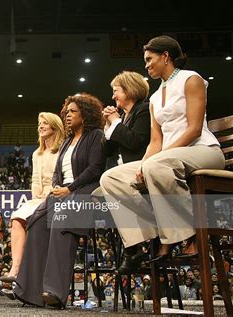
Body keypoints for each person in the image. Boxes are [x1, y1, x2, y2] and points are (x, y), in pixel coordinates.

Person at [100, 35, 225, 271]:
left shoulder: (192, 79)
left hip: (203, 150)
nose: (146, 65)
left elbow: (194, 128)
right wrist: (143, 163)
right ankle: (148, 235)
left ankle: (188, 237)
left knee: (156, 166)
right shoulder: (155, 97)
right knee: (111, 178)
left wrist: (154, 160)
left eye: (149, 59)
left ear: (165, 56)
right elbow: (155, 141)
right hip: (167, 158)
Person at [13, 93, 106, 308]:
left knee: (61, 219)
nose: (67, 116)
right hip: (63, 193)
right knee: (36, 221)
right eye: (66, 112)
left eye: (73, 112)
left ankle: (55, 292)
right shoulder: (66, 143)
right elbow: (57, 172)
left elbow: (95, 168)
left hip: (86, 192)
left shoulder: (96, 136)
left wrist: (70, 188)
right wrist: (57, 188)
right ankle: (30, 291)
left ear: (86, 114)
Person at [1, 112, 64, 282]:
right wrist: (37, 194)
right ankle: (15, 269)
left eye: (45, 123)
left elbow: (63, 178)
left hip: (58, 196)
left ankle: (32, 277)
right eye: (39, 123)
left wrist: (50, 193)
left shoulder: (63, 150)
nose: (41, 126)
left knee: (35, 221)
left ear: (54, 126)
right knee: (16, 219)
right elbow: (36, 180)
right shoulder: (37, 154)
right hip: (39, 198)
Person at [101, 70, 151, 273]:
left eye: (116, 91)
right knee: (100, 194)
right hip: (122, 172)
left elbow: (135, 142)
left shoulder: (145, 110)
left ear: (130, 90)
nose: (113, 97)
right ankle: (133, 246)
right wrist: (109, 125)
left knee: (108, 182)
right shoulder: (122, 117)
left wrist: (116, 123)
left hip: (141, 169)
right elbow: (107, 150)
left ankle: (133, 247)